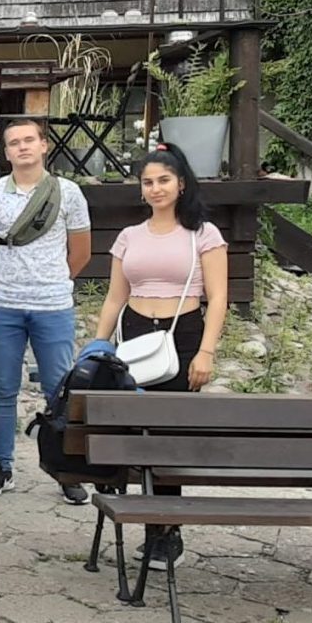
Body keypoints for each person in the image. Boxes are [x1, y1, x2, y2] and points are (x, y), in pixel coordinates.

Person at [91, 143, 228, 569]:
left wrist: (205, 352)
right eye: (148, 182)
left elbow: (218, 297)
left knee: (168, 436)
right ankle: (146, 522)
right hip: (134, 334)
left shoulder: (203, 234)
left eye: (164, 180)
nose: (156, 188)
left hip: (181, 334)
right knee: (137, 433)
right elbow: (115, 297)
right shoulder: (129, 236)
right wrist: (97, 347)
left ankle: (167, 532)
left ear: (181, 183)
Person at [0, 119, 93, 504]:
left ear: (44, 145)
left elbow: (81, 251)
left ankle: (66, 469)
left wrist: (54, 279)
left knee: (58, 390)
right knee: (3, 388)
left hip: (53, 305)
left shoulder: (68, 193)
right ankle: (0, 466)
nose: (22, 147)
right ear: (6, 152)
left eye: (29, 140)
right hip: (3, 304)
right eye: (14, 142)